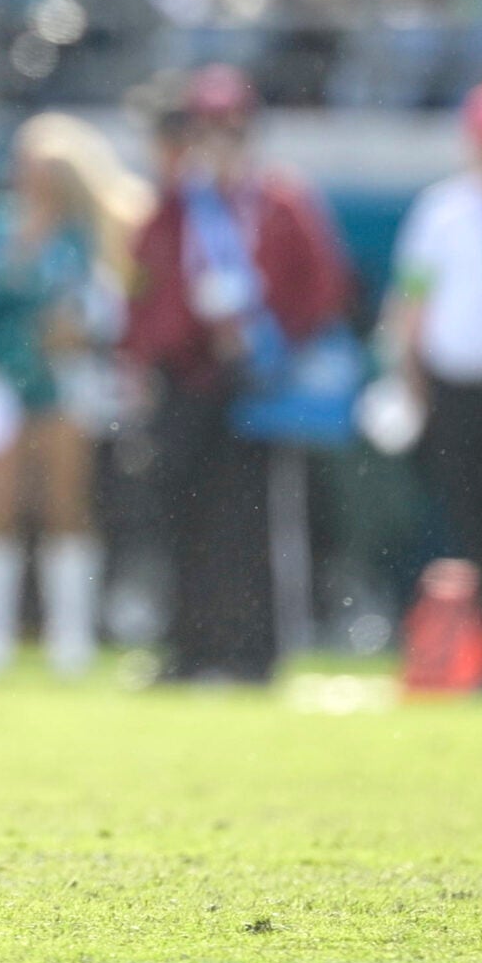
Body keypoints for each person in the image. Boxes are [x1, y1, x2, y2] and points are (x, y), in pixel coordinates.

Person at [123, 66, 352, 683]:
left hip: (258, 381)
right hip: (187, 379)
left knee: (250, 520)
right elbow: (144, 291)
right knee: (181, 515)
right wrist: (146, 355)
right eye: (209, 127)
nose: (221, 139)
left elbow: (324, 287)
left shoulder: (281, 200)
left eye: (232, 127)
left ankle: (255, 651)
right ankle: (189, 647)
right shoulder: (176, 203)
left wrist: (268, 334)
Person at [0, 114, 151, 678]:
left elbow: (114, 301)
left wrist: (81, 328)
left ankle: (72, 637)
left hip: (66, 377)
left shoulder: (89, 232)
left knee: (66, 500)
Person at [383, 78, 482, 685]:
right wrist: (413, 384)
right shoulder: (442, 212)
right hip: (460, 390)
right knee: (476, 526)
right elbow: (412, 304)